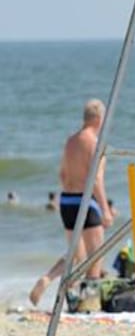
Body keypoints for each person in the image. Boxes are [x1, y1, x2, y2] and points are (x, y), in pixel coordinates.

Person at [30, 99, 114, 305]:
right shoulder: (94, 143)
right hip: (85, 201)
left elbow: (62, 173)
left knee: (76, 254)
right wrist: (105, 209)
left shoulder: (71, 141)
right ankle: (90, 303)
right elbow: (96, 179)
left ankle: (49, 278)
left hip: (66, 200)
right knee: (95, 256)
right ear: (99, 119)